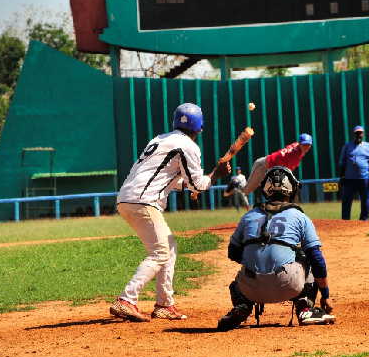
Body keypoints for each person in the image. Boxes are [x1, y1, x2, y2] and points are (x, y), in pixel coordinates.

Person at [110, 103, 231, 322]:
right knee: (160, 252)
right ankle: (126, 300)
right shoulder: (189, 146)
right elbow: (198, 185)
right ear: (199, 127)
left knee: (168, 246)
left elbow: (169, 178)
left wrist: (195, 184)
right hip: (144, 202)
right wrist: (216, 175)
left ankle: (165, 304)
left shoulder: (159, 139)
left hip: (127, 198)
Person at [217, 166, 335, 331]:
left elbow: (233, 252)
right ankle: (305, 308)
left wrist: (258, 259)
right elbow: (317, 259)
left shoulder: (249, 216)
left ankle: (242, 305)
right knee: (306, 255)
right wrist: (326, 295)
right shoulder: (300, 217)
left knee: (240, 277)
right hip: (289, 284)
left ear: (265, 189)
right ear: (292, 188)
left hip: (250, 288)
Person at [241, 133, 313, 195]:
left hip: (267, 165)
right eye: (304, 144)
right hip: (263, 166)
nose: (306, 147)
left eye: (308, 144)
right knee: (246, 191)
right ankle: (236, 187)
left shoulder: (297, 148)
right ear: (300, 143)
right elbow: (285, 170)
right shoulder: (295, 155)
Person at [338, 125, 369, 221]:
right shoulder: (347, 146)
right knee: (346, 201)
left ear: (363, 134)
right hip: (349, 179)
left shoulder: (368, 147)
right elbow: (342, 162)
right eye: (357, 133)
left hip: (364, 178)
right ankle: (345, 221)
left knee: (365, 201)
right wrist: (342, 177)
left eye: (360, 133)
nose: (359, 135)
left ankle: (364, 220)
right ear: (354, 134)